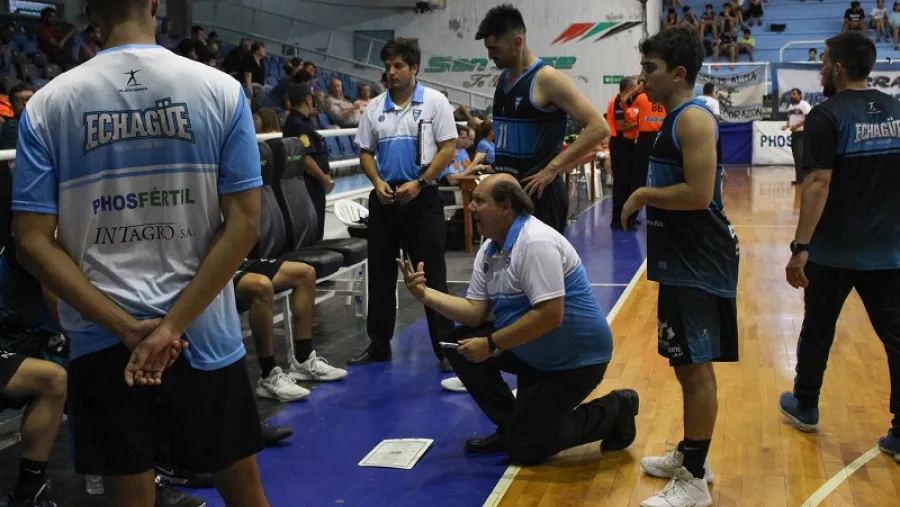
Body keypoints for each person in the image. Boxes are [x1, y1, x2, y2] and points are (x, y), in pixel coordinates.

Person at [10, 0, 270, 505]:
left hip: (104, 340)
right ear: (155, 3)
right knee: (245, 495)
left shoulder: (47, 103)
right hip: (203, 334)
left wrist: (128, 328)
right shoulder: (220, 90)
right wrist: (172, 327)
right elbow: (244, 225)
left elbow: (32, 243)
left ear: (88, 11)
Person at [399, 173, 638, 465]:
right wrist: (425, 295)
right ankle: (511, 428)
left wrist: (490, 343)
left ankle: (617, 408)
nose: (471, 207)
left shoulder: (535, 242)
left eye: (479, 201)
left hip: (576, 360)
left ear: (506, 207)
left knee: (528, 451)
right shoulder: (490, 250)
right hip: (536, 351)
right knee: (456, 344)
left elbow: (550, 315)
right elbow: (475, 312)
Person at [622, 28, 739, 507]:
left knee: (696, 369)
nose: (642, 76)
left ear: (678, 73)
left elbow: (698, 193)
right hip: (681, 259)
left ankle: (693, 480)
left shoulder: (693, 120)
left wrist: (643, 194)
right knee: (683, 362)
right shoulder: (675, 117)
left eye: (650, 68)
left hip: (700, 262)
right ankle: (694, 453)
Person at [779, 30, 900, 464]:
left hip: (833, 250)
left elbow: (817, 182)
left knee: (818, 328)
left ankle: (806, 404)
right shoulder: (897, 110)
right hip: (889, 251)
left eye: (825, 61)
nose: (821, 68)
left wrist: (800, 245)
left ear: (839, 67)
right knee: (897, 338)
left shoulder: (828, 116)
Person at [350, 37, 458, 372]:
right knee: (381, 275)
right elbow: (366, 151)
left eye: (398, 66)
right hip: (384, 198)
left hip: (422, 197)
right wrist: (377, 183)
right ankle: (379, 345)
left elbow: (448, 148)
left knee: (432, 275)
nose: (391, 72)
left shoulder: (435, 102)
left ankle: (445, 349)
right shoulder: (375, 107)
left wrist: (421, 182)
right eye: (388, 67)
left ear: (414, 68)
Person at [474, 4, 610, 234]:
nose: (490, 56)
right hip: (506, 194)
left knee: (541, 268)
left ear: (517, 43)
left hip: (539, 194)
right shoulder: (503, 80)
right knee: (508, 268)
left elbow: (599, 126)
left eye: (494, 48)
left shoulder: (547, 79)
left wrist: (553, 167)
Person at [233, 258, 348, 403]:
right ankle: (268, 375)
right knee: (262, 287)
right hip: (210, 268)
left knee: (306, 273)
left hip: (237, 261)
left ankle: (303, 360)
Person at [282, 83, 335, 242]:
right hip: (310, 185)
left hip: (307, 184)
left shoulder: (295, 121)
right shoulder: (299, 125)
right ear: (307, 100)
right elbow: (305, 158)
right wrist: (323, 178)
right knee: (313, 230)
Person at [628, 83, 666, 225]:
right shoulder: (664, 99)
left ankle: (631, 216)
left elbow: (628, 106)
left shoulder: (642, 97)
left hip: (645, 139)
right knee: (659, 178)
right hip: (660, 138)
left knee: (638, 178)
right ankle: (659, 216)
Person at [607, 77, 638, 229]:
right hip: (619, 144)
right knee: (621, 182)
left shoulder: (629, 102)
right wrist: (640, 124)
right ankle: (617, 219)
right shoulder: (618, 101)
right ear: (627, 88)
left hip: (628, 144)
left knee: (629, 181)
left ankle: (628, 216)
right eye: (635, 85)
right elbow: (620, 126)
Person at [782, 88, 811, 184]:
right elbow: (791, 119)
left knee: (800, 155)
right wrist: (787, 125)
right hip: (794, 133)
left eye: (794, 94)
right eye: (791, 94)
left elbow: (809, 118)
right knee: (796, 156)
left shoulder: (804, 105)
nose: (792, 96)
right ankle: (799, 178)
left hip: (802, 133)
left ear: (799, 95)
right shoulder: (790, 106)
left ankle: (803, 178)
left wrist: (797, 126)